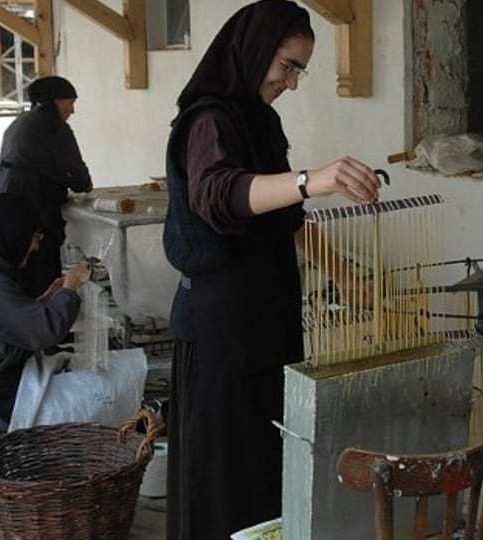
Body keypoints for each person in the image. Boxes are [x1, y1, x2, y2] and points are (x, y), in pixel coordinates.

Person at [162, 1, 382, 537]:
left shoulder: (261, 120)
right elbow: (219, 193)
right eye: (287, 65)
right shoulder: (208, 120)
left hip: (268, 328)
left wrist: (347, 275)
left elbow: (287, 216)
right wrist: (313, 178)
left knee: (269, 456)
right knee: (225, 474)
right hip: (221, 337)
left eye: (300, 70)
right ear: (255, 51)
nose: (292, 81)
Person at [0, 193, 92, 445]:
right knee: (90, 401)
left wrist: (46, 300)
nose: (35, 247)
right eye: (34, 237)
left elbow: (5, 321)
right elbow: (46, 330)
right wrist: (71, 286)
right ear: (12, 235)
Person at [0, 75, 93, 298]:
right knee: (38, 270)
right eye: (70, 103)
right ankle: (43, 321)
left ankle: (20, 317)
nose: (72, 110)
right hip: (31, 201)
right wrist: (84, 183)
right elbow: (77, 175)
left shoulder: (21, 122)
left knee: (15, 269)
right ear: (55, 101)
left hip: (4, 194)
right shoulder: (52, 126)